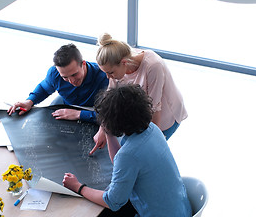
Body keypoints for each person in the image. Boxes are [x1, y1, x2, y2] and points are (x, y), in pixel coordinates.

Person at [63, 84, 192, 217]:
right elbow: (120, 161)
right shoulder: (153, 130)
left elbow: (112, 202)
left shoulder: (129, 154)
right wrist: (108, 132)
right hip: (180, 210)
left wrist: (78, 187)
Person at [90, 33, 187, 154]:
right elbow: (110, 100)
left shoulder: (153, 66)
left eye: (110, 72)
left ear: (124, 63)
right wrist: (102, 130)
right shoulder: (116, 65)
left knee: (146, 153)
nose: (108, 77)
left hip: (165, 115)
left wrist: (150, 142)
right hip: (143, 113)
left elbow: (154, 108)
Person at [8, 43, 109, 123]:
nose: (71, 81)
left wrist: (78, 114)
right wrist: (30, 101)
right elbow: (44, 88)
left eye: (74, 74)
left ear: (83, 64)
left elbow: (111, 115)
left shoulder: (105, 77)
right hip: (68, 106)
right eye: (65, 77)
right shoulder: (54, 73)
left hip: (94, 112)